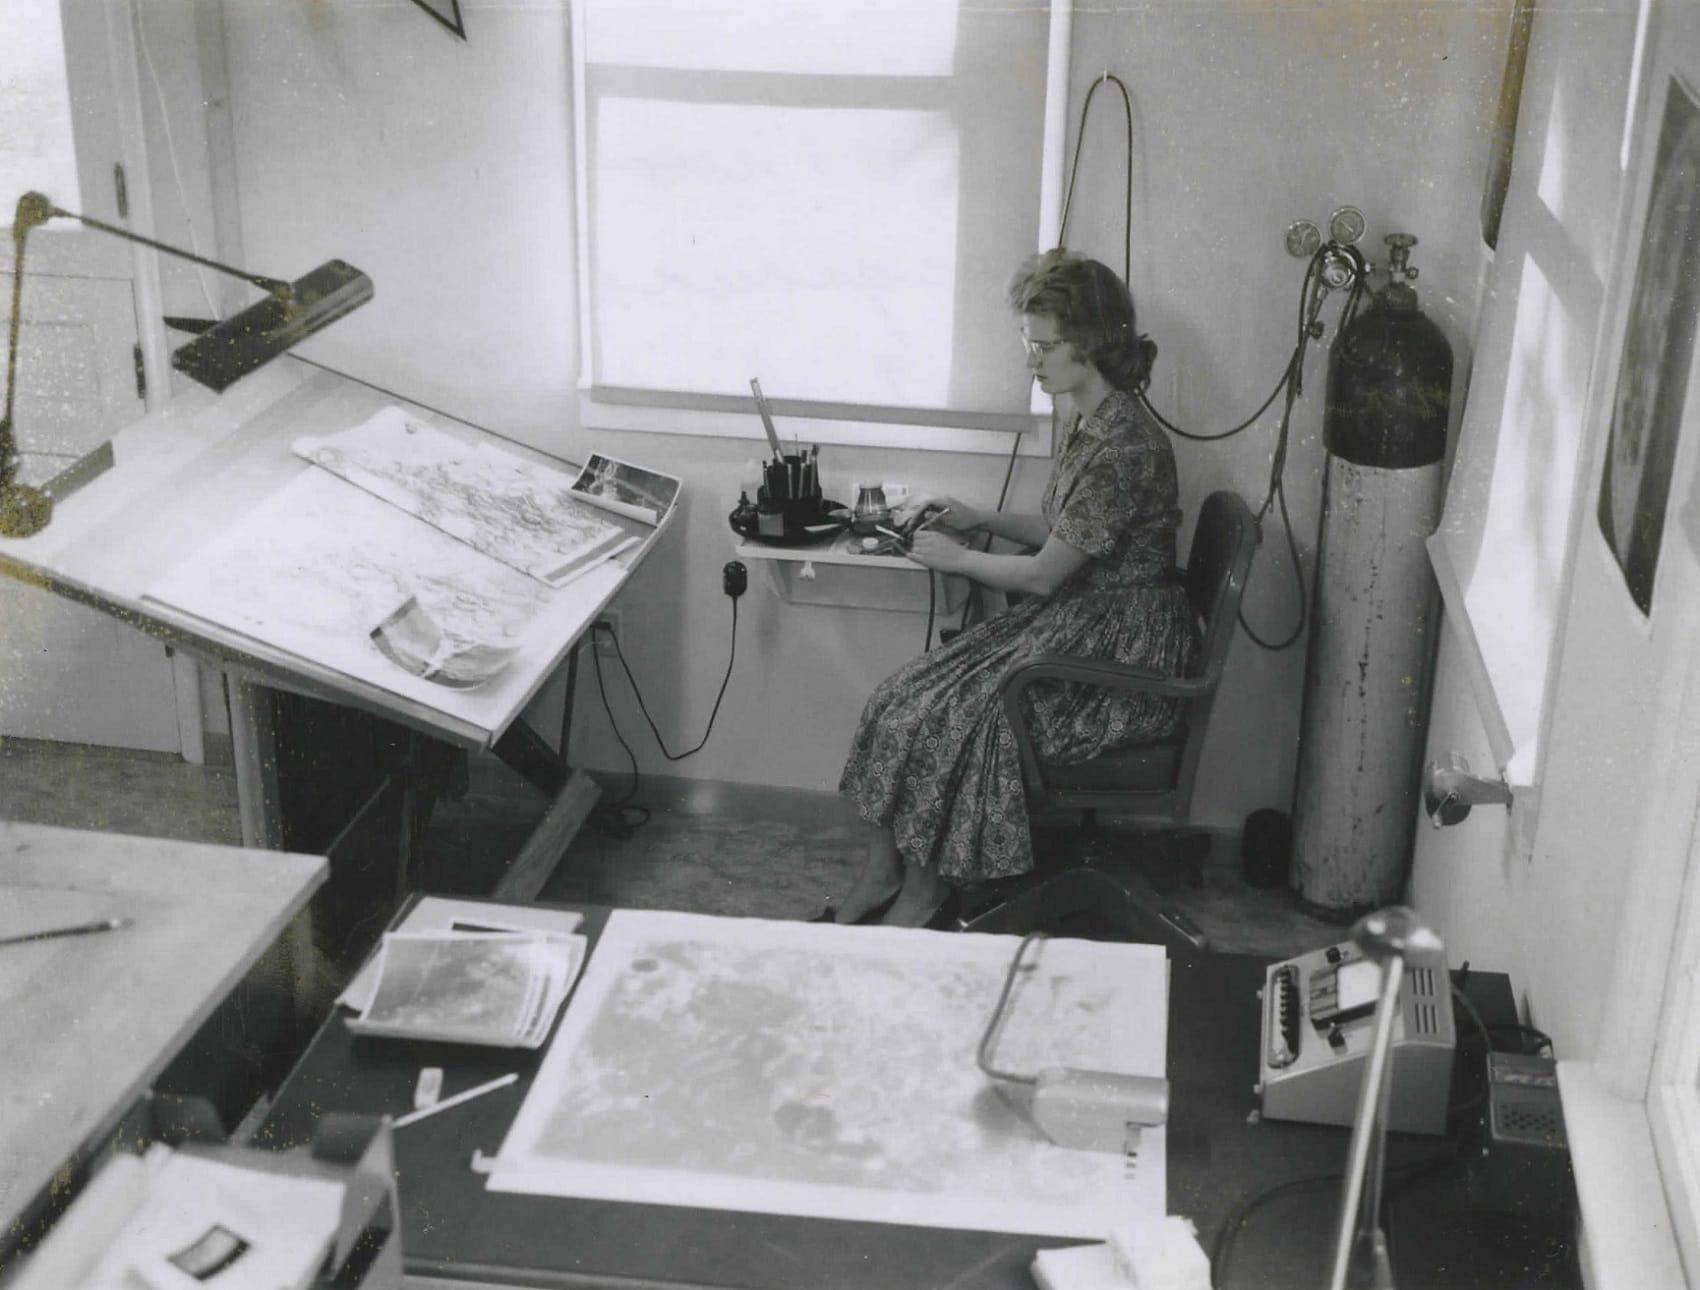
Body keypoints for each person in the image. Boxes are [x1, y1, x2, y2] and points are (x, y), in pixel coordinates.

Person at [832, 250, 1198, 928]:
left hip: (1120, 656)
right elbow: (1066, 532)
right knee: (897, 698)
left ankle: (926, 891)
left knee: (947, 716)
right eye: (1028, 343)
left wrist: (959, 557)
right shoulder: (1087, 418)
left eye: (1045, 346)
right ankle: (883, 873)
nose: (1032, 360)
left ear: (1091, 342)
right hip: (1080, 619)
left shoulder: (1126, 447)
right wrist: (979, 517)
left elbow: (1043, 572)